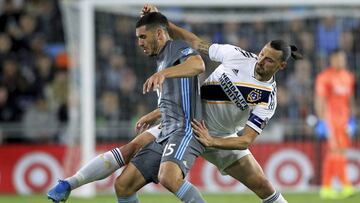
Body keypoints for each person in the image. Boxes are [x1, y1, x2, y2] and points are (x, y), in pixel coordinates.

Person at [48, 4, 300, 203]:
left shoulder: (268, 98)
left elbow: (245, 140)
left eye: (268, 60)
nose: (261, 60)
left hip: (221, 138)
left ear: (281, 66)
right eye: (262, 54)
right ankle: (69, 182)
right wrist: (163, 21)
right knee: (131, 153)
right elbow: (197, 43)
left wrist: (213, 141)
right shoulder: (238, 56)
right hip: (188, 121)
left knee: (264, 187)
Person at [48, 11, 207, 203]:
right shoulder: (162, 59)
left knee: (169, 178)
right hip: (166, 130)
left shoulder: (176, 47)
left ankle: (70, 183)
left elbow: (198, 65)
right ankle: (69, 184)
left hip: (184, 129)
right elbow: (179, 98)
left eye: (143, 37)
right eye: (138, 38)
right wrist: (155, 113)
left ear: (158, 34)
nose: (139, 42)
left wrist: (164, 73)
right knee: (124, 185)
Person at [315, 49, 356, 199]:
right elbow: (320, 101)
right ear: (332, 60)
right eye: (337, 59)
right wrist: (322, 122)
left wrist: (352, 119)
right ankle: (346, 186)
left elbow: (350, 100)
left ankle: (326, 187)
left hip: (344, 120)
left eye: (342, 59)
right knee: (336, 152)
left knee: (337, 152)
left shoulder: (348, 77)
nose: (340, 61)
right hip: (331, 120)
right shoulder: (324, 77)